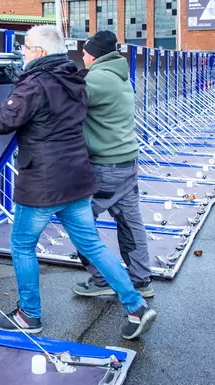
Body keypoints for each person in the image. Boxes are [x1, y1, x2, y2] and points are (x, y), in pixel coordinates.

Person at [0, 25, 157, 340]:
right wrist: (18, 76)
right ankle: (136, 306)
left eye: (26, 47)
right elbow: (49, 107)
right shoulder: (75, 78)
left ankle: (28, 315)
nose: (22, 51)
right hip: (76, 179)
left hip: (43, 184)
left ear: (41, 53)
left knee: (22, 245)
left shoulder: (35, 85)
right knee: (92, 244)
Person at [73, 30, 154, 299]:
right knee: (130, 222)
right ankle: (141, 279)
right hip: (127, 162)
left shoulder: (96, 79)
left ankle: (100, 279)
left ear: (93, 54)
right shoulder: (120, 75)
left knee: (78, 220)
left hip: (105, 166)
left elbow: (62, 104)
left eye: (84, 53)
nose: (82, 57)